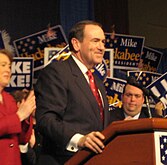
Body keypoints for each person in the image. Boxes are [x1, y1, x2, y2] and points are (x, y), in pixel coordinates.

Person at [34, 20, 110, 164]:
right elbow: (46, 119)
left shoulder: (97, 81)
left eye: (103, 42)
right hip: (63, 160)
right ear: (76, 44)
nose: (101, 47)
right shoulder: (57, 72)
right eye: (95, 41)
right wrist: (79, 139)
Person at [0, 49, 36, 165]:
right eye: (3, 65)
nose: (8, 70)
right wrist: (19, 116)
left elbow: (22, 140)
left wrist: (26, 116)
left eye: (9, 66)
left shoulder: (9, 99)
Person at [11, 89, 42, 165]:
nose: (36, 105)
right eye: (32, 102)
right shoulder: (16, 128)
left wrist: (34, 145)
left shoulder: (43, 128)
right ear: (19, 104)